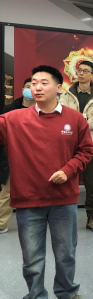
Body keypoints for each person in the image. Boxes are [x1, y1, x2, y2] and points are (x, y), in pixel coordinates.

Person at [0, 66, 93, 299]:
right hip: (28, 199)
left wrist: (68, 170)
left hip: (63, 198)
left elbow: (86, 150)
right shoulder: (14, 119)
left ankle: (67, 293)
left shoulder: (75, 119)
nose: (37, 87)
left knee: (66, 252)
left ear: (58, 88)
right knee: (32, 256)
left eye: (44, 82)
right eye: (33, 83)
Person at [59, 61, 93, 234]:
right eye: (79, 70)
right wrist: (87, 117)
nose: (80, 73)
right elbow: (62, 117)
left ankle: (91, 217)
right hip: (69, 146)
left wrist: (77, 120)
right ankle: (64, 217)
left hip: (92, 147)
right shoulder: (67, 94)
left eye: (85, 71)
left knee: (91, 183)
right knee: (66, 181)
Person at [0, 78, 35, 234]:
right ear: (22, 89)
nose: (30, 89)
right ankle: (1, 224)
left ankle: (38, 221)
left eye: (33, 86)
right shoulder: (9, 109)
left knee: (36, 191)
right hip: (12, 157)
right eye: (28, 86)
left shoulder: (43, 110)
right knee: (7, 193)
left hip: (35, 158)